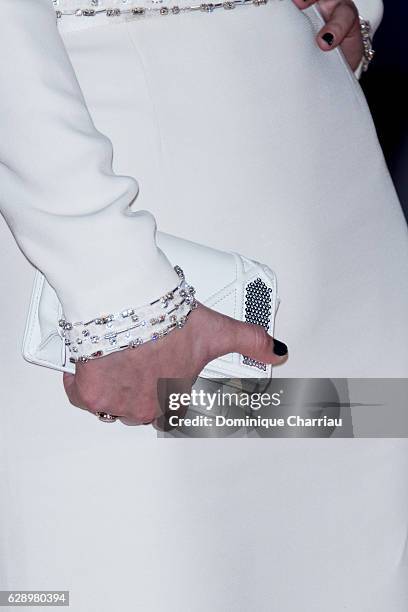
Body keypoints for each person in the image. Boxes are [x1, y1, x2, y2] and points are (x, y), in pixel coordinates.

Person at [1, 0, 407, 610]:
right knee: (123, 572)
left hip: (339, 218)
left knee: (349, 570)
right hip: (133, 248)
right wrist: (116, 292)